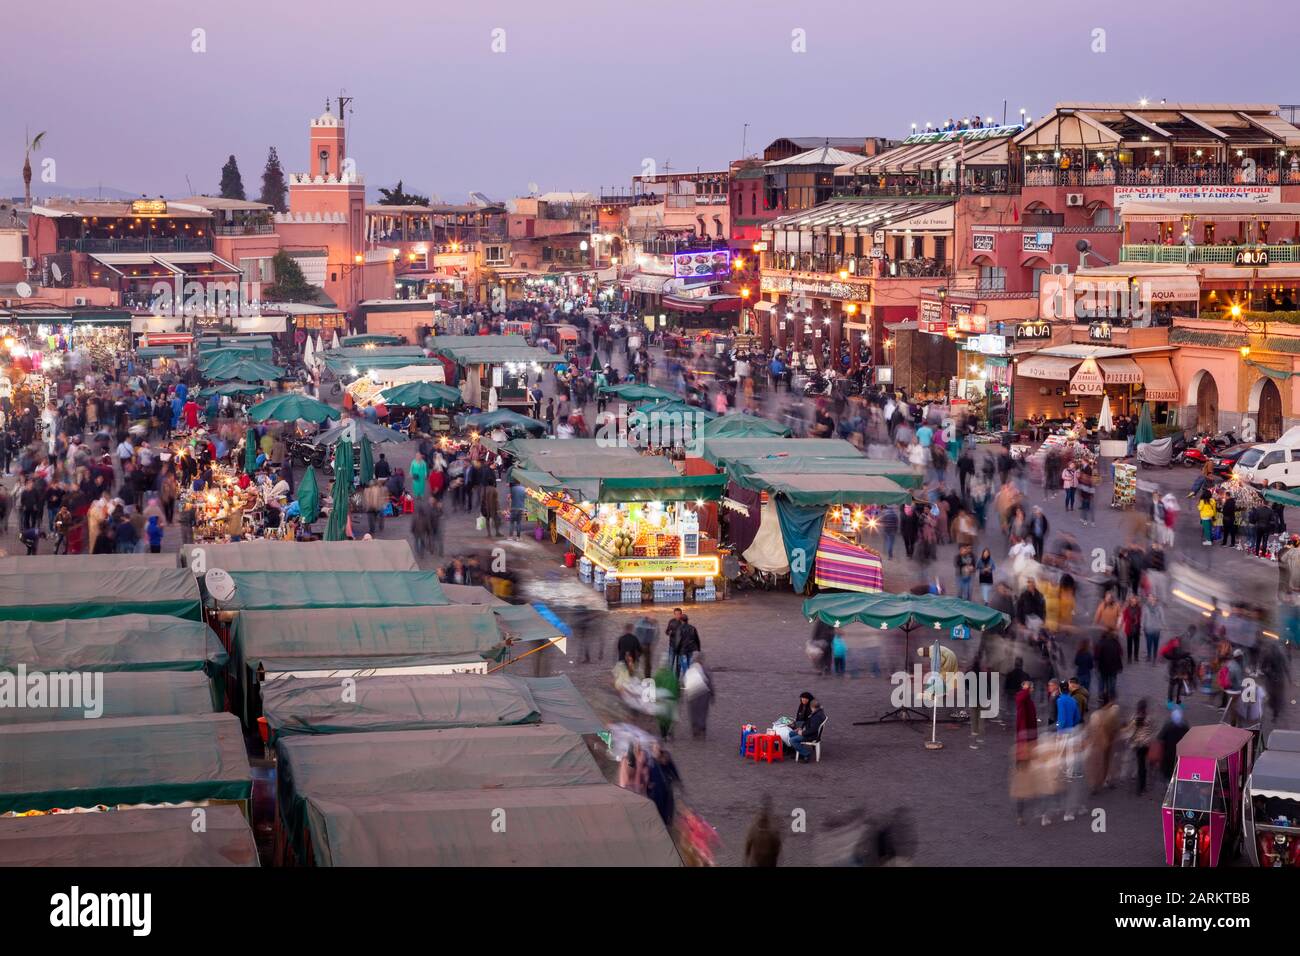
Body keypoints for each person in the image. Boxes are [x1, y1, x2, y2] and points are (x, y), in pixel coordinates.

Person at [1125, 699, 1155, 795]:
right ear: (1145, 708)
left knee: (1140, 764)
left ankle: (1140, 787)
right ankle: (1143, 786)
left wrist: (1130, 740)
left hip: (1138, 745)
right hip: (1146, 745)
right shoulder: (1149, 718)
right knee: (1144, 765)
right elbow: (1152, 731)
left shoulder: (1134, 718)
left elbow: (1131, 732)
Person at [744, 796, 783, 866]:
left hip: (763, 861)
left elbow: (748, 844)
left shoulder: (755, 829)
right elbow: (777, 846)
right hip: (763, 861)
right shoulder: (772, 830)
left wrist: (746, 859)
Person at [682, 651, 713, 739]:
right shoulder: (705, 668)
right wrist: (712, 694)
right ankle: (702, 728)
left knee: (693, 712)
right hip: (704, 693)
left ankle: (695, 729)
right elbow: (709, 682)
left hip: (693, 695)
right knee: (703, 712)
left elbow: (684, 682)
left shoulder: (690, 668)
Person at [1095, 629, 1124, 704]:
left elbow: (1097, 656)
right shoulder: (1116, 643)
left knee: (1102, 682)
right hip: (1113, 667)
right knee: (1112, 683)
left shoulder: (1100, 642)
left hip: (1103, 667)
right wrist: (1120, 666)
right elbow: (1120, 654)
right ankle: (1111, 696)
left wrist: (1096, 665)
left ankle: (1101, 696)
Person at [634, 614, 657, 680]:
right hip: (642, 645)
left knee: (646, 663)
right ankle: (645, 677)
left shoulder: (646, 623)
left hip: (645, 645)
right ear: (648, 619)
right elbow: (640, 634)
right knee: (644, 663)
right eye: (653, 620)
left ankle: (646, 677)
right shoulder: (643, 623)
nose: (653, 622)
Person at [1121, 593, 1142, 664]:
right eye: (1132, 601)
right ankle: (1129, 657)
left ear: (1136, 602)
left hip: (1136, 628)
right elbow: (1123, 618)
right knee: (1129, 644)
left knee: (1136, 644)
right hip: (1129, 628)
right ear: (1130, 601)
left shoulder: (1139, 608)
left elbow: (1140, 618)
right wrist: (1121, 625)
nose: (1134, 602)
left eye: (1135, 601)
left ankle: (1136, 657)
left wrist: (1138, 623)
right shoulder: (1127, 609)